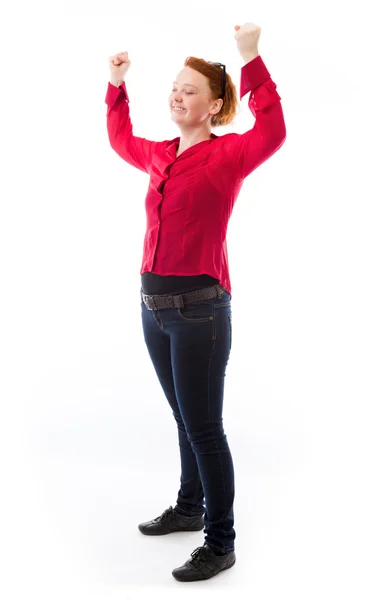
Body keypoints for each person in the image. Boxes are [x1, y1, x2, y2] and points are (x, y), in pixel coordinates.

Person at [105, 22, 286, 582]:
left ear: (212, 106)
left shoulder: (229, 155)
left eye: (189, 89)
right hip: (153, 309)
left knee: (205, 428)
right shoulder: (159, 155)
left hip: (201, 312)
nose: (178, 94)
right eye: (175, 87)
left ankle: (221, 539)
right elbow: (119, 139)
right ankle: (189, 507)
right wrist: (116, 86)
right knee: (184, 419)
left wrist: (251, 57)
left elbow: (274, 128)